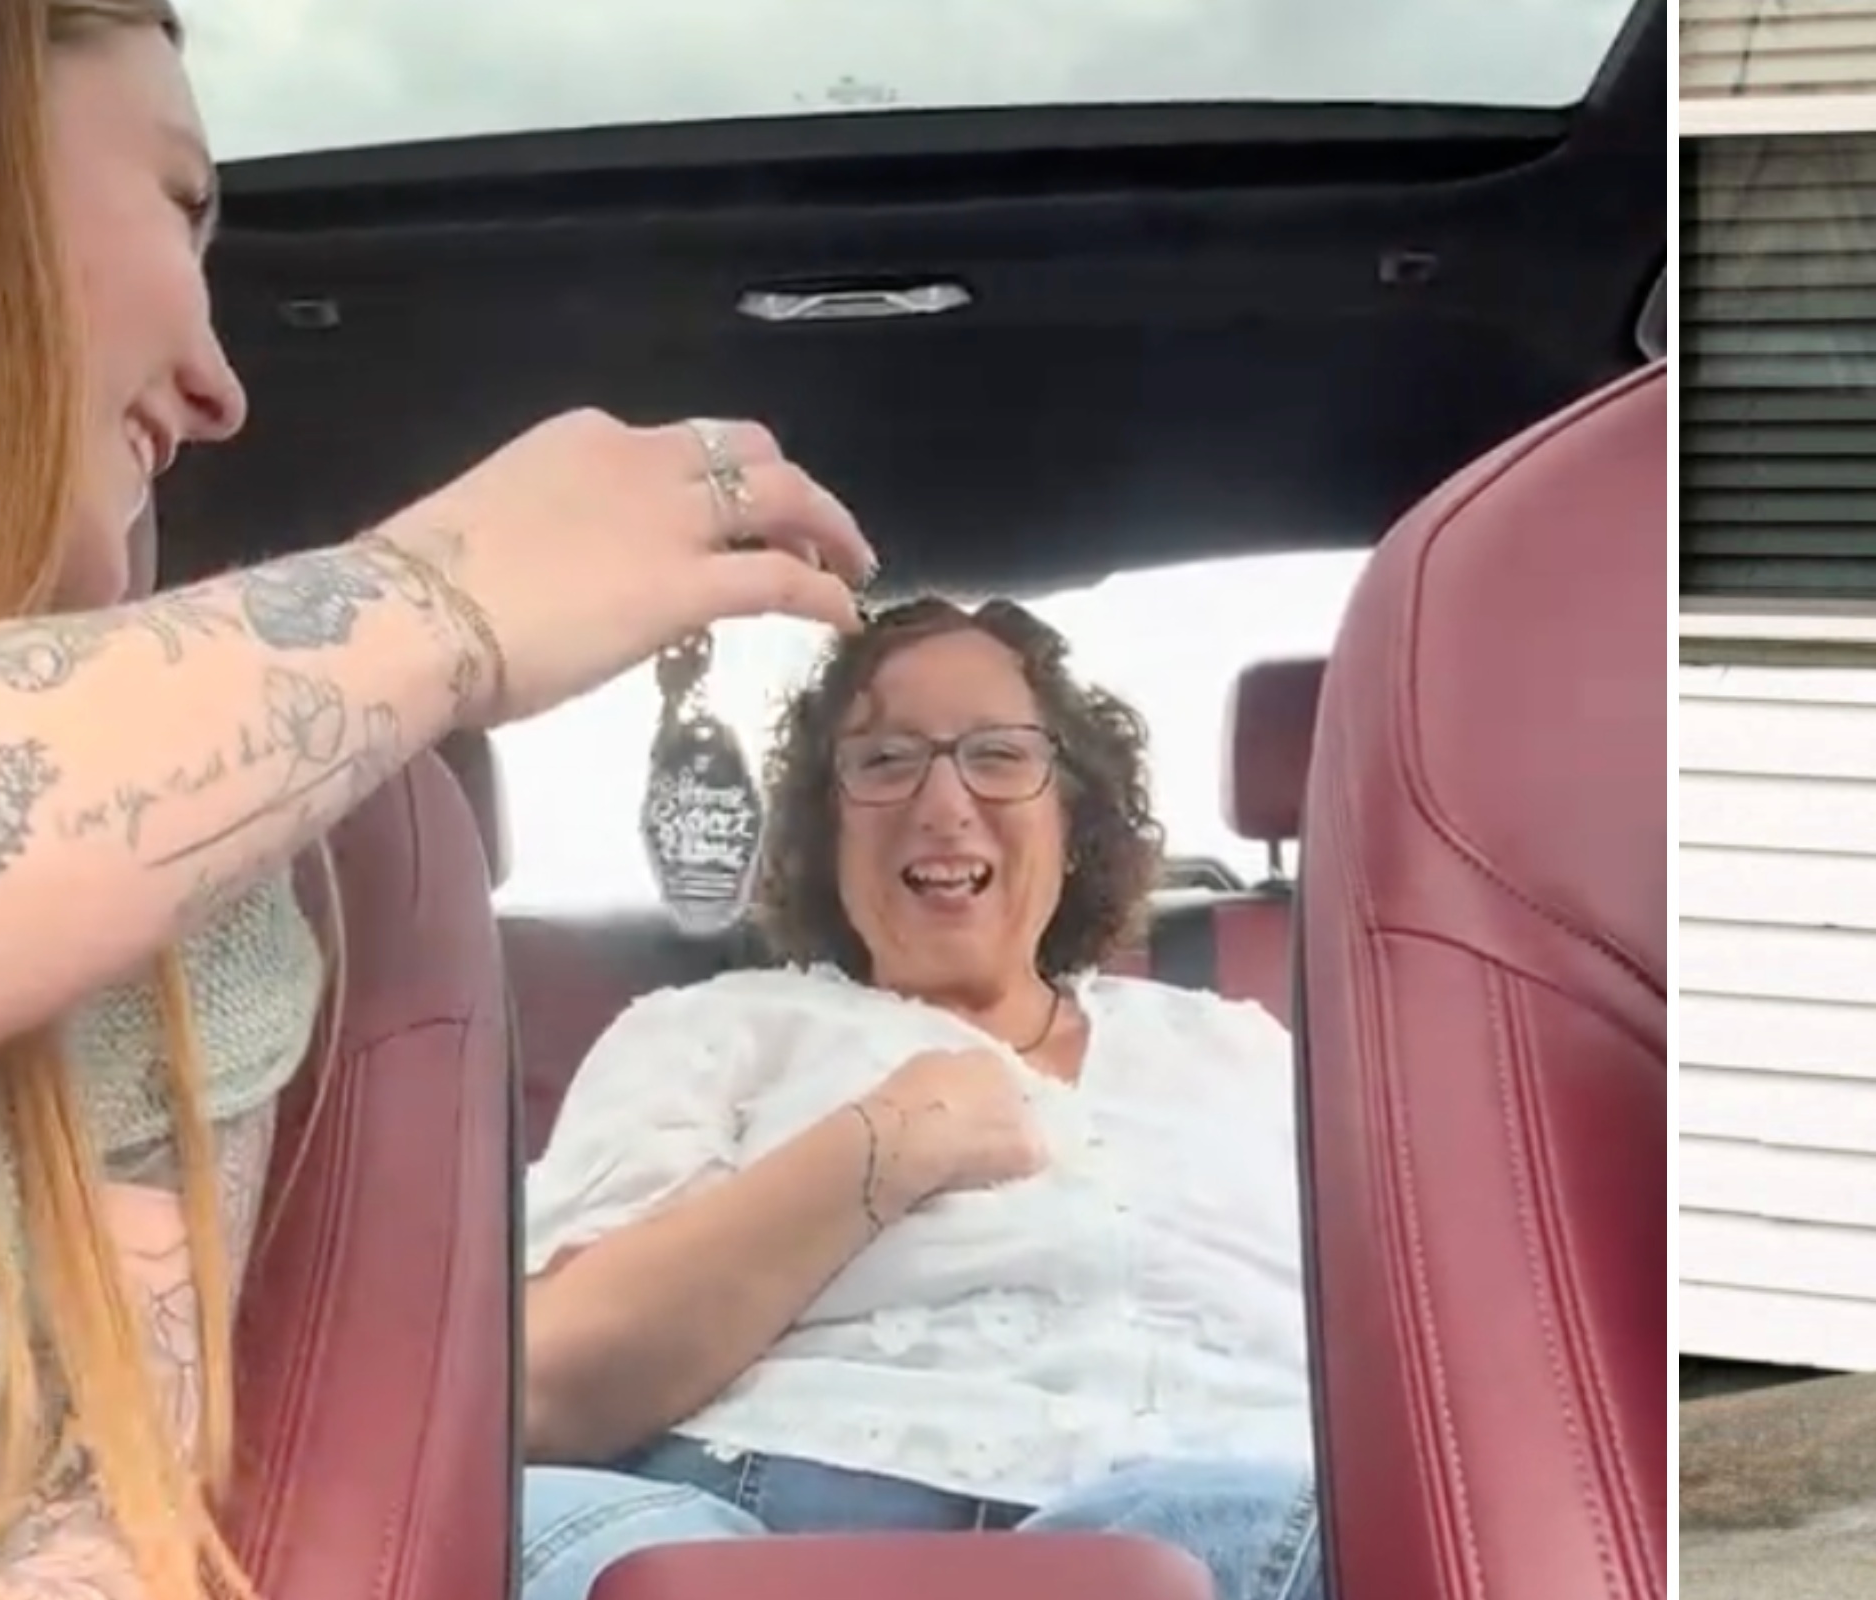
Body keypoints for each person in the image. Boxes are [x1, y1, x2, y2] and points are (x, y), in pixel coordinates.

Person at [0, 5, 875, 1600]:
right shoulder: (699, 1041)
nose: (221, 389)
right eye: (181, 206)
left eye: (1001, 755)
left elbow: (81, 1538)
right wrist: (426, 612)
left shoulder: (200, 923)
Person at [511, 598, 1322, 1600]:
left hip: (1236, 1526)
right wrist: (883, 1146)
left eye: (998, 754)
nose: (944, 805)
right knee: (535, 1534)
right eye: (887, 761)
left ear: (1072, 819)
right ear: (824, 829)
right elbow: (541, 1386)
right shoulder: (712, 1028)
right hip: (772, 1519)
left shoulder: (1241, 1048)